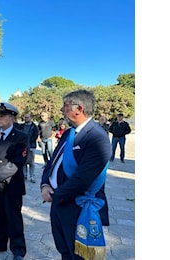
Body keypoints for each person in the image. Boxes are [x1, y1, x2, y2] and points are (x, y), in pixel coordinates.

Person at [40, 89, 111, 260]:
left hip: (77, 207)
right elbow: (52, 162)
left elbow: (83, 180)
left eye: (65, 106)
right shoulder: (69, 133)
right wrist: (45, 184)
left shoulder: (97, 137)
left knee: (78, 255)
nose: (61, 110)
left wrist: (56, 195)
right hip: (58, 202)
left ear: (78, 109)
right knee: (64, 249)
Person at [0, 102, 29, 260]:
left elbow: (18, 162)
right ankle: (0, 243)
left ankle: (18, 249)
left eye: (2, 115)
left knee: (13, 217)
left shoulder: (21, 137)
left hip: (11, 185)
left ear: (12, 118)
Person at [17, 113, 39, 183]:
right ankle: (24, 175)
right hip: (23, 146)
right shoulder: (21, 126)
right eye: (25, 117)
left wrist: (28, 142)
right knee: (24, 161)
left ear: (30, 118)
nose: (26, 119)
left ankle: (32, 176)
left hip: (31, 146)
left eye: (27, 117)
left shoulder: (34, 127)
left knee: (31, 162)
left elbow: (35, 136)